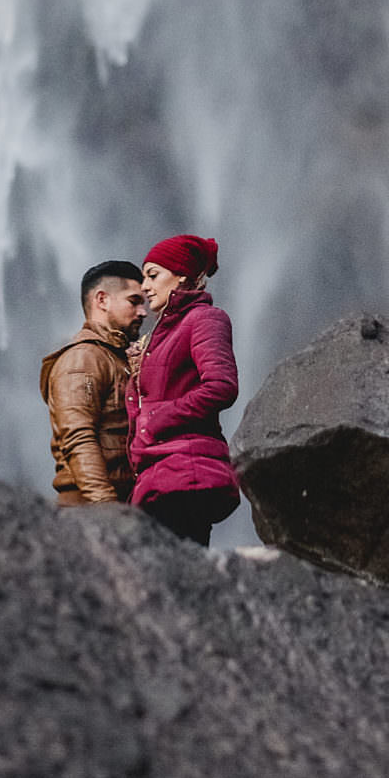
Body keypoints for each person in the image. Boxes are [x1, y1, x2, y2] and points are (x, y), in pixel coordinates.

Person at [127, 233, 240, 545]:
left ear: (182, 276)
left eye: (153, 275)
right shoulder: (160, 335)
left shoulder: (204, 319)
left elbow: (222, 385)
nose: (144, 287)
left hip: (186, 473)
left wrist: (159, 419)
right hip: (159, 475)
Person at [40, 260, 147, 506]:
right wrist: (107, 508)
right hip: (89, 511)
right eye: (134, 301)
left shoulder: (115, 357)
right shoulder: (83, 358)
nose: (143, 312)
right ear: (102, 300)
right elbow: (78, 436)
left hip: (118, 507)